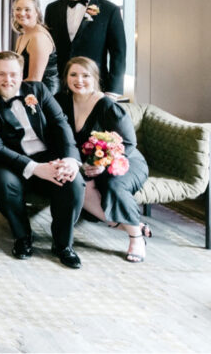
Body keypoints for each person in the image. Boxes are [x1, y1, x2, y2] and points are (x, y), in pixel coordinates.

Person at [0, 51, 85, 268]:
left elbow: (61, 124)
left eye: (13, 74)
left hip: (49, 157)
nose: (8, 79)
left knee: (74, 181)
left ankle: (63, 245)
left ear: (21, 74)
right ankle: (23, 237)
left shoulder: (39, 90)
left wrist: (71, 160)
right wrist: (34, 168)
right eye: (1, 74)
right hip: (11, 164)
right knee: (3, 183)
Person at [57, 56, 151, 262]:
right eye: (73, 74)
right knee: (80, 184)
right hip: (87, 163)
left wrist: (103, 165)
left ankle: (136, 238)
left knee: (114, 185)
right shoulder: (61, 101)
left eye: (85, 75)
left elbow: (128, 143)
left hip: (124, 160)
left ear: (95, 79)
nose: (79, 80)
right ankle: (131, 224)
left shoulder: (107, 105)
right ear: (66, 78)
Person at [44, 0, 127, 94]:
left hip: (94, 86)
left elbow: (119, 54)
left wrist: (113, 91)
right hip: (59, 87)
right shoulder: (52, 9)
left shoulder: (109, 10)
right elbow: (48, 49)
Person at [11, 0, 59, 93]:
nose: (22, 13)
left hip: (43, 97)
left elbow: (34, 81)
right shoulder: (22, 36)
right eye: (18, 9)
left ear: (36, 12)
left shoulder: (39, 38)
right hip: (27, 91)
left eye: (27, 9)